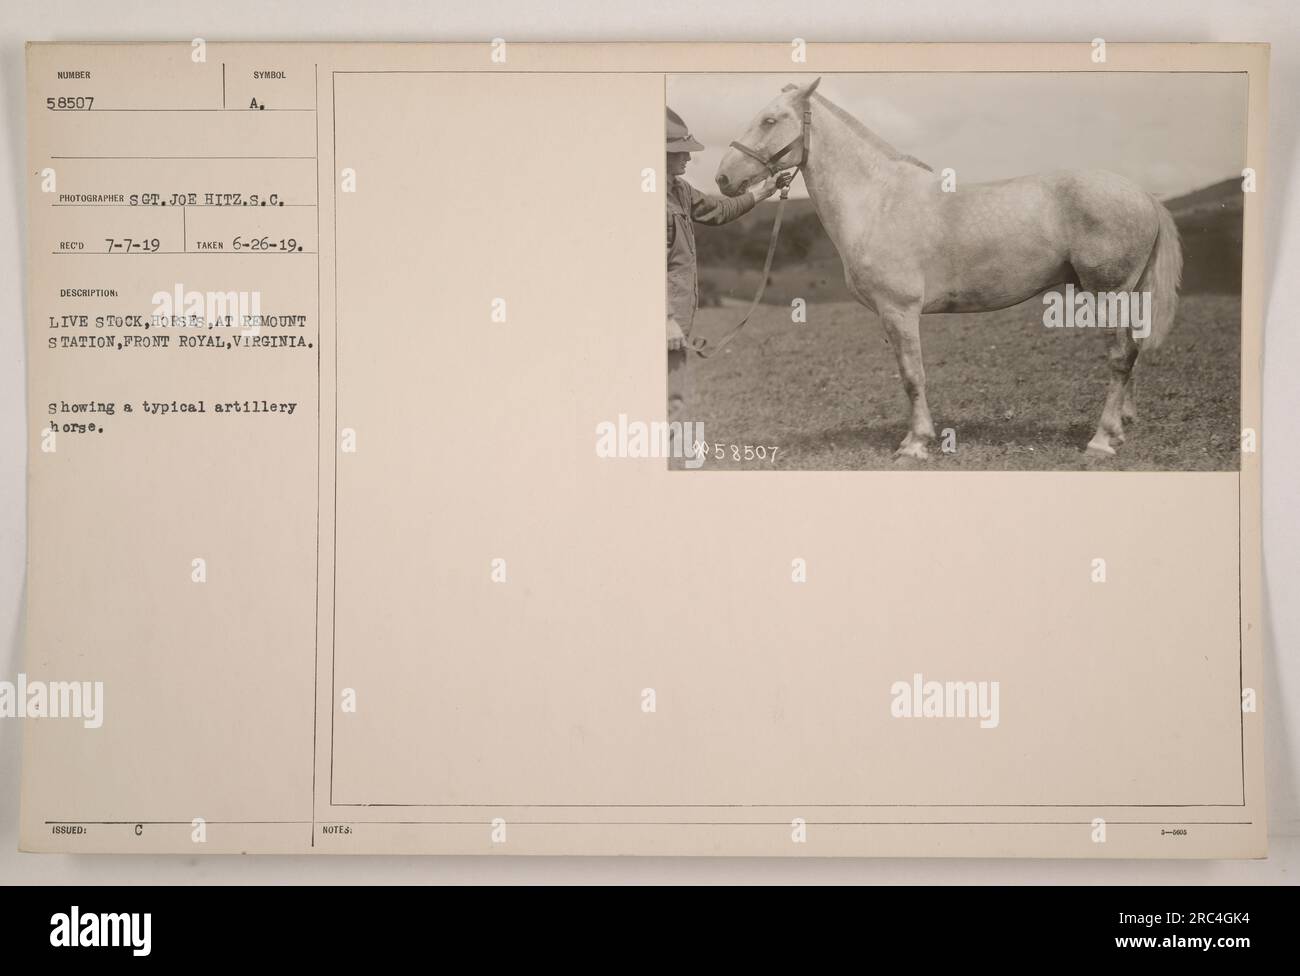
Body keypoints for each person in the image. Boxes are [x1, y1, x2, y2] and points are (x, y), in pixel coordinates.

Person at [666, 107, 780, 454]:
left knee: (671, 395)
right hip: (664, 323)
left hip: (675, 323)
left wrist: (761, 192)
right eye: (678, 151)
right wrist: (665, 319)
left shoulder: (679, 190)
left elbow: (718, 211)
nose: (688, 157)